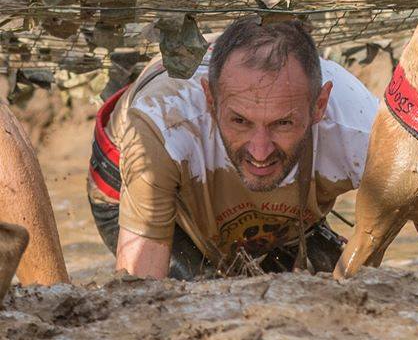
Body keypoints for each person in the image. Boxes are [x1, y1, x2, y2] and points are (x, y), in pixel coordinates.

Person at [87, 17, 377, 279]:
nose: (260, 152)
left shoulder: (362, 130)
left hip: (281, 204)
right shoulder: (163, 127)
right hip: (144, 180)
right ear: (211, 101)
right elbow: (141, 292)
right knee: (198, 296)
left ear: (319, 106)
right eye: (240, 121)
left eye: (283, 123)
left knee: (332, 289)